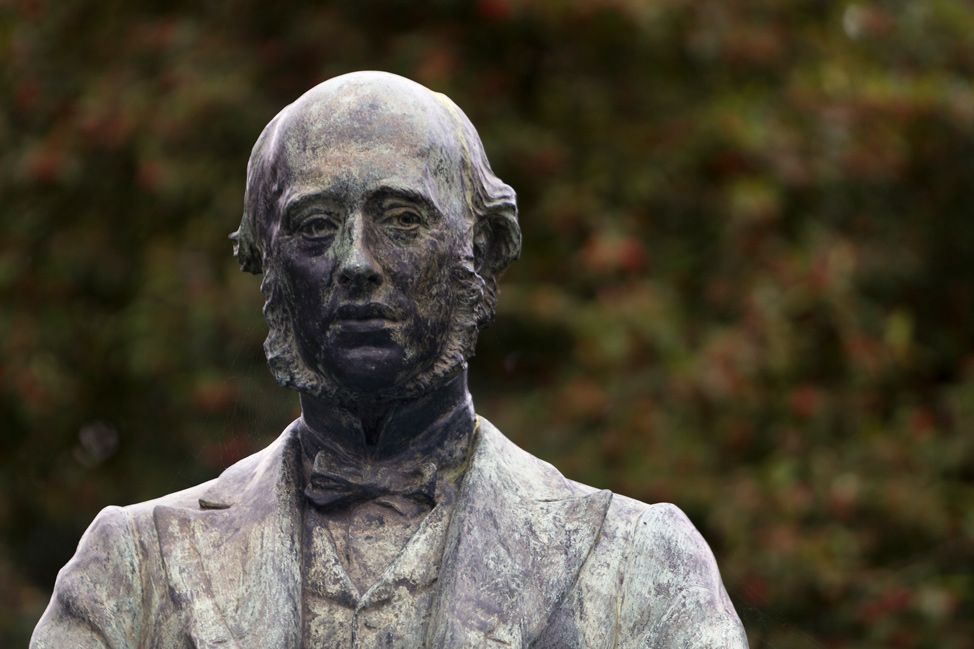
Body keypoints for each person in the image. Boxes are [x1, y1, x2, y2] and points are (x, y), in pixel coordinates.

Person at [31, 71, 748, 649]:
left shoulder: (637, 565)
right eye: (315, 226)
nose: (355, 262)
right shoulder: (132, 570)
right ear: (268, 264)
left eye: (403, 218)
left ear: (483, 251)